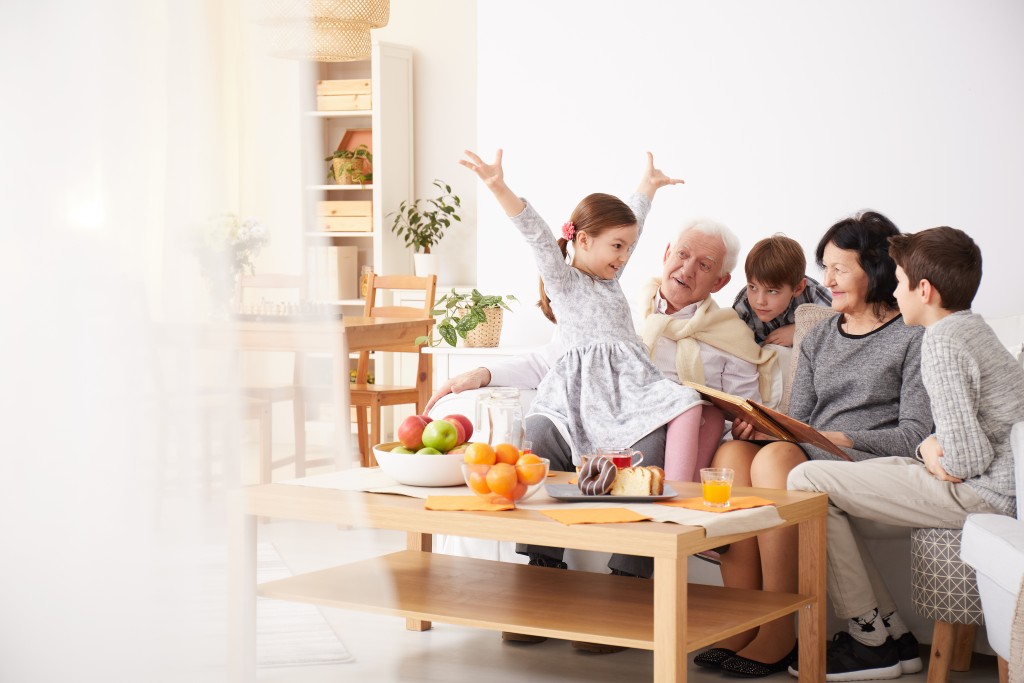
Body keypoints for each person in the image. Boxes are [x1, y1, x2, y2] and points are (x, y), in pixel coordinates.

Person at [695, 211, 933, 678]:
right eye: (826, 267)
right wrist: (761, 425)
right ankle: (747, 617)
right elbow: (799, 418)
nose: (828, 279)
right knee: (731, 454)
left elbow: (914, 434)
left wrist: (834, 437)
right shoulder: (820, 333)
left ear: (877, 269)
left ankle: (782, 626)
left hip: (868, 457)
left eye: (839, 268)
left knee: (777, 460)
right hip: (811, 446)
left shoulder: (912, 334)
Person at [786, 226, 1023, 681]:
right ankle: (889, 633)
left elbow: (965, 458)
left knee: (805, 481)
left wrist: (932, 450)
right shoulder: (970, 329)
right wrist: (927, 445)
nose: (894, 291)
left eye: (898, 281)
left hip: (981, 491)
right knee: (825, 493)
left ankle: (870, 638)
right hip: (998, 483)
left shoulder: (939, 342)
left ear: (924, 290)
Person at [460, 147, 722, 493]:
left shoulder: (610, 280)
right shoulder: (564, 282)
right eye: (617, 247)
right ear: (582, 240)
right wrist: (499, 189)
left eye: (628, 248)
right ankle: (545, 548)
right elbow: (537, 236)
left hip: (630, 386)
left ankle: (675, 495)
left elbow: (634, 226)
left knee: (690, 402)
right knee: (541, 434)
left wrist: (648, 187)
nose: (625, 256)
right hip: (585, 390)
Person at [732, 233, 832, 346]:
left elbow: (842, 319)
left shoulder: (811, 292)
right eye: (753, 287)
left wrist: (799, 331)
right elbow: (737, 349)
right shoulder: (743, 305)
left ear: (798, 288)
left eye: (772, 291)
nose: (760, 301)